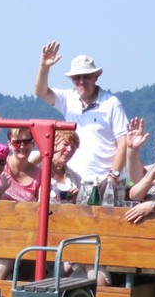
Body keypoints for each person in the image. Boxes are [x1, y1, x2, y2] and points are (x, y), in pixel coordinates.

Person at [33, 42, 128, 192]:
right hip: (76, 182)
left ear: (96, 76)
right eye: (77, 77)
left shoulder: (111, 103)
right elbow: (40, 92)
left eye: (87, 76)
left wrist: (112, 177)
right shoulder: (68, 99)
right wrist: (44, 67)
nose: (82, 81)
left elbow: (123, 142)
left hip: (107, 182)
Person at [0, 127, 40, 202]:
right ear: (9, 145)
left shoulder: (40, 175)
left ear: (33, 143)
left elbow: (42, 205)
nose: (22, 146)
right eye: (17, 142)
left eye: (27, 142)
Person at [49, 129, 83, 203]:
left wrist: (76, 199)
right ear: (54, 144)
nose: (69, 150)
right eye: (65, 144)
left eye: (73, 147)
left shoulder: (76, 178)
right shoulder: (37, 166)